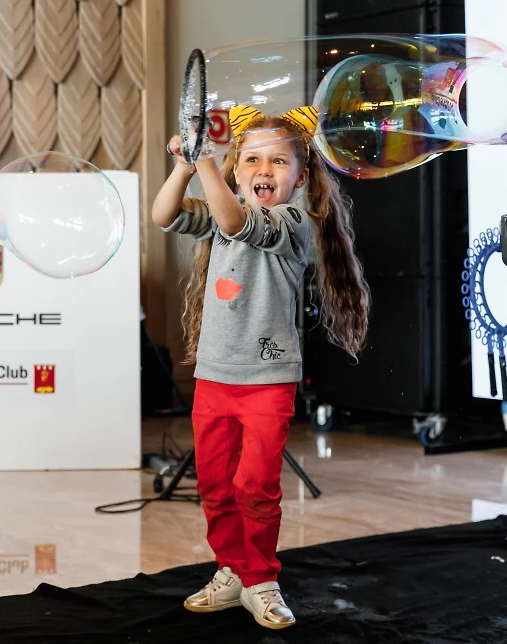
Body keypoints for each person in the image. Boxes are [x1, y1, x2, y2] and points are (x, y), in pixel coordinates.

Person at [150, 105, 370, 629]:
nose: (263, 169)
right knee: (215, 485)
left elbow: (235, 221)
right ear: (236, 169)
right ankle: (231, 570)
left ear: (301, 177)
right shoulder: (219, 210)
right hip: (214, 377)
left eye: (278, 161)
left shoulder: (294, 222)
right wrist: (184, 165)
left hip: (267, 380)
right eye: (251, 159)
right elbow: (163, 215)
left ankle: (261, 579)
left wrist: (207, 158)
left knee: (255, 486)